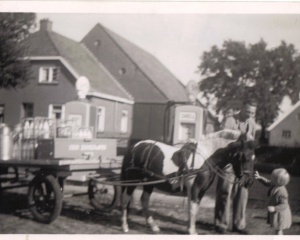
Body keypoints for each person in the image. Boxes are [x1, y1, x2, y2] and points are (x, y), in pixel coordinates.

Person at [214, 101, 257, 234]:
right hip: (229, 162)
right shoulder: (230, 120)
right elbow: (222, 141)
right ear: (242, 108)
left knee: (242, 193)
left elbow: (251, 145)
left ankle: (239, 225)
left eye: (253, 113)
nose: (250, 115)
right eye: (248, 111)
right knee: (224, 191)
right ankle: (221, 224)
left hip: (243, 164)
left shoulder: (252, 124)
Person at [254, 169, 292, 235]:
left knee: (279, 230)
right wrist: (259, 178)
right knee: (277, 229)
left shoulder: (282, 191)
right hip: (277, 213)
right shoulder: (274, 184)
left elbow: (284, 204)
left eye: (273, 177)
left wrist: (275, 208)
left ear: (278, 180)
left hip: (281, 214)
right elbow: (267, 182)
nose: (271, 178)